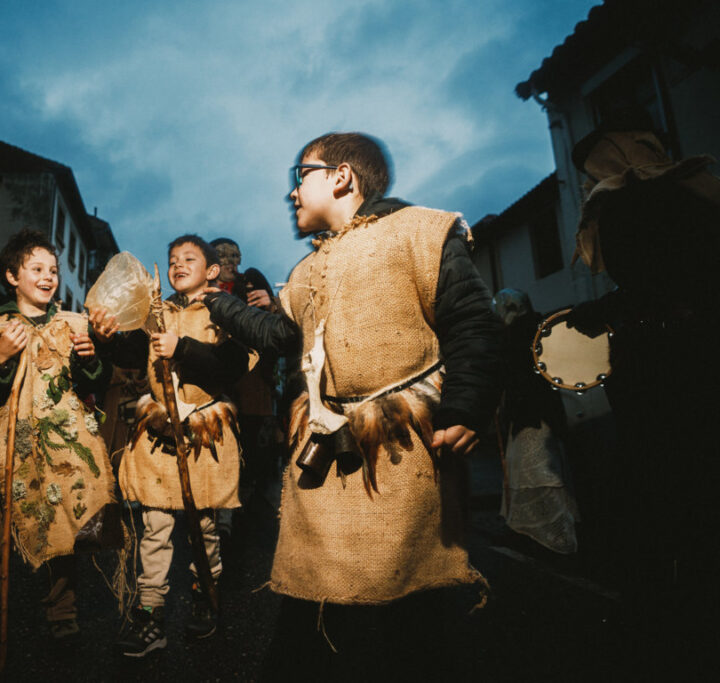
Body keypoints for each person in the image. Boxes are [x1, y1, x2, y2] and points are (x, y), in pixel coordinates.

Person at [197, 132, 502, 667]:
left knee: (409, 611)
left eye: (300, 176)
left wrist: (465, 406)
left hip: (403, 453)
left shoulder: (419, 231)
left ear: (341, 177)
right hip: (325, 453)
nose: (291, 193)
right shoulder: (305, 271)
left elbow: (472, 321)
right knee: (313, 601)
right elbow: (278, 336)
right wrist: (220, 306)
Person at [567, 107, 720, 672]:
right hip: (695, 360)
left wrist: (599, 310)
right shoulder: (696, 195)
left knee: (660, 492)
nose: (589, 178)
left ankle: (664, 625)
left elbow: (657, 283)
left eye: (595, 163)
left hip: (668, 370)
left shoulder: (634, 204)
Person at [0, 229, 117, 667]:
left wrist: (92, 358)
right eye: (36, 269)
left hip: (63, 458)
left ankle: (63, 617)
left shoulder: (75, 325)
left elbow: (96, 383)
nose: (48, 277)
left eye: (53, 270)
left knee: (62, 540)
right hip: (9, 461)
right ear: (11, 276)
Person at [89, 235, 249, 656]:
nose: (178, 264)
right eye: (173, 259)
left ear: (211, 270)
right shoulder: (154, 313)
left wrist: (184, 348)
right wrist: (106, 338)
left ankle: (204, 598)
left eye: (189, 258)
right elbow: (129, 352)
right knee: (154, 527)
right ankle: (150, 615)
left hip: (205, 434)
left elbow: (233, 366)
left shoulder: (224, 311)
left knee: (206, 528)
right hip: (160, 432)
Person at [493, 288, 577, 554]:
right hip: (537, 413)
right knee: (533, 469)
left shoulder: (520, 334)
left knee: (539, 470)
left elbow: (515, 375)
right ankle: (536, 530)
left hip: (531, 415)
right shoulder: (536, 327)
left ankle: (552, 534)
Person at [208, 238, 281, 527]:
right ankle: (223, 511)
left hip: (252, 381)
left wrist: (272, 305)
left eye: (234, 256)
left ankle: (250, 513)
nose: (231, 262)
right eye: (223, 257)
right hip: (218, 381)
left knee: (253, 450)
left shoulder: (249, 281)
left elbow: (272, 323)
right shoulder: (204, 288)